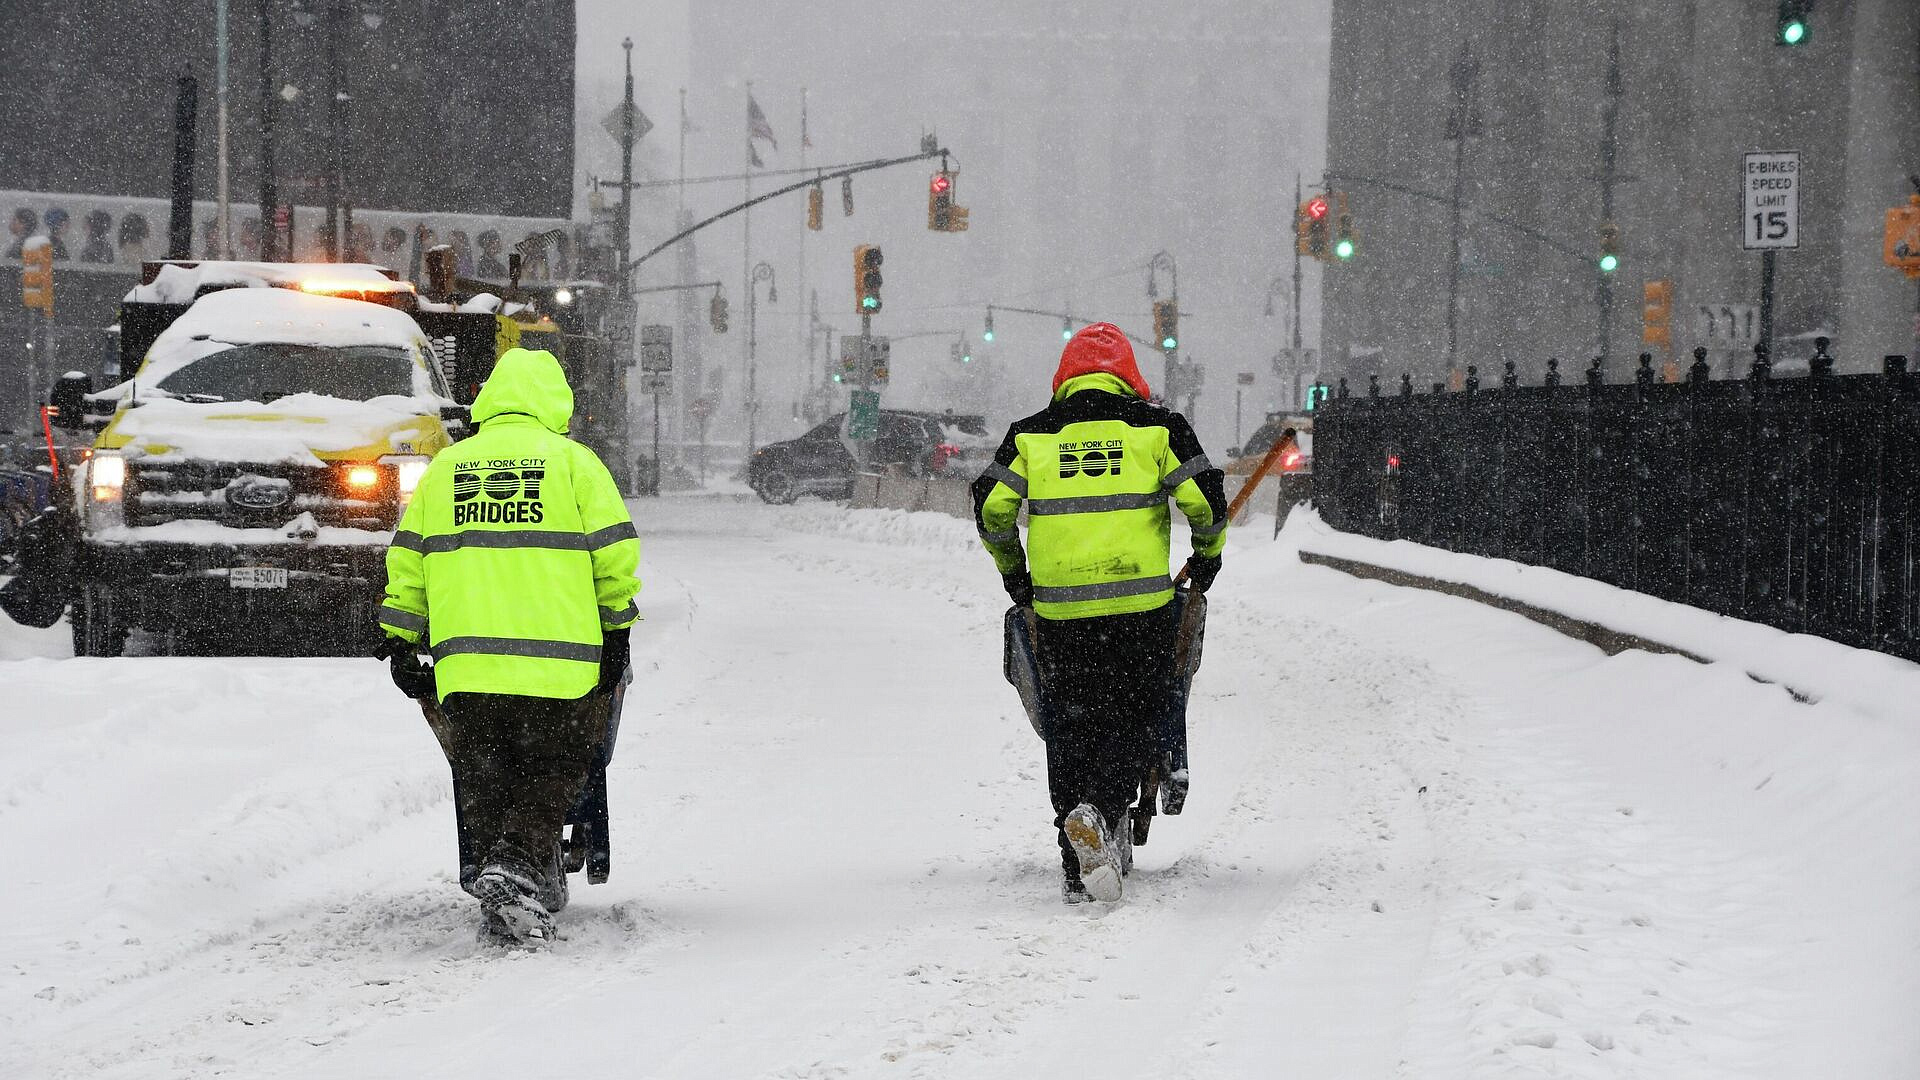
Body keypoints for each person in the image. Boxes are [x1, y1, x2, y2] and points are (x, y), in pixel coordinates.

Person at [376, 347, 640, 946]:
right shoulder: (574, 464)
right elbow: (614, 553)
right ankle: (517, 866)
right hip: (558, 667)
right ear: (556, 402)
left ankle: (497, 873)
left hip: (466, 665)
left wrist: (397, 639)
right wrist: (617, 628)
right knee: (553, 768)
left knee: (486, 768)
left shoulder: (448, 469)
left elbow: (409, 560)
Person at [971, 323, 1228, 904]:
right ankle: (1104, 808)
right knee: (1132, 713)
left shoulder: (1031, 435)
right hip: (1140, 609)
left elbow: (990, 510)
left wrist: (1015, 572)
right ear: (1128, 375)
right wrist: (1206, 558)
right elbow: (1207, 499)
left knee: (1069, 721)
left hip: (1060, 612)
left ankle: (1075, 851)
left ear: (1065, 376)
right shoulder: (1158, 429)